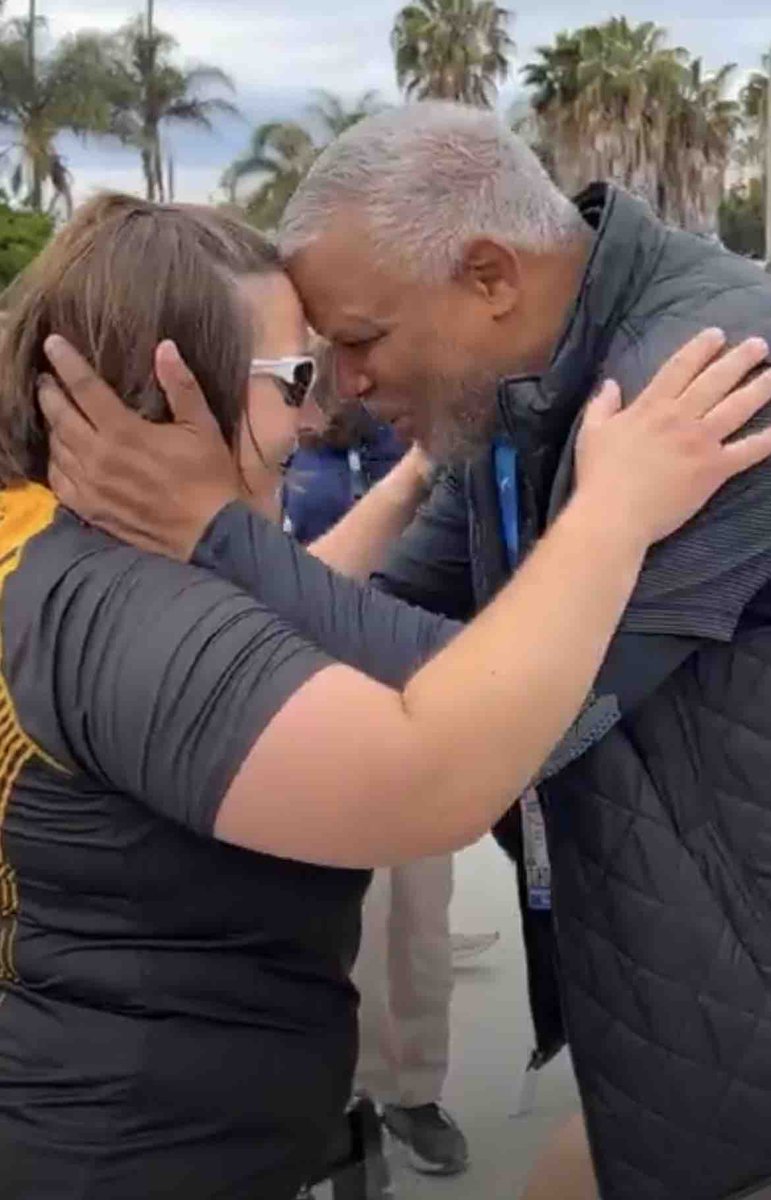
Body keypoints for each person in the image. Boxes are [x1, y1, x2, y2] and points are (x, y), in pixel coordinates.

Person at [29, 201, 771, 1200]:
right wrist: (617, 510)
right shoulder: (136, 613)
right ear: (176, 385)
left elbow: (320, 622)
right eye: (296, 375)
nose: (321, 406)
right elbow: (446, 761)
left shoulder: (76, 563)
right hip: (135, 1152)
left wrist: (411, 478)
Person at [268, 102, 771, 1200]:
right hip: (661, 973)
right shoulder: (518, 378)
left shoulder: (709, 382)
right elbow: (399, 618)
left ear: (489, 275)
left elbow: (535, 720)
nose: (344, 384)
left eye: (359, 340)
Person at [285, 408, 470, 1175]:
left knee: (421, 921)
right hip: (318, 711)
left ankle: (414, 1091)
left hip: (421, 703)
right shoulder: (283, 451)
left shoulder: (426, 444)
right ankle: (354, 1094)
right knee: (351, 922)